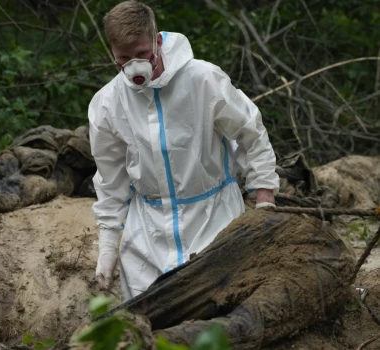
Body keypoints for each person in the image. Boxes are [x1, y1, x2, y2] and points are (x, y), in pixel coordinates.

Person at [88, 0, 279, 302]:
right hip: (146, 236)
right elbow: (110, 178)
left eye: (141, 54)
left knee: (218, 318)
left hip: (214, 221)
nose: (134, 65)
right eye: (124, 58)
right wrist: (109, 246)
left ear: (158, 41)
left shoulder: (203, 79)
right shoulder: (108, 102)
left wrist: (264, 195)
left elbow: (249, 132)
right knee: (149, 326)